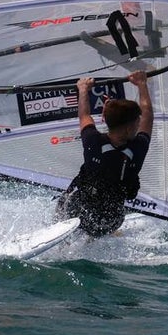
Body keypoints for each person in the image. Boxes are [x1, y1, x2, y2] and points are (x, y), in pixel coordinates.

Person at [55, 70, 153, 237]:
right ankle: (97, 237)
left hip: (76, 212)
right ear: (130, 127)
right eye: (137, 123)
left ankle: (62, 231)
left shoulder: (92, 140)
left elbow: (84, 115)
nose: (139, 126)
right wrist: (142, 85)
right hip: (111, 220)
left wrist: (83, 89)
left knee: (66, 202)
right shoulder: (138, 148)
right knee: (103, 216)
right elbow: (148, 115)